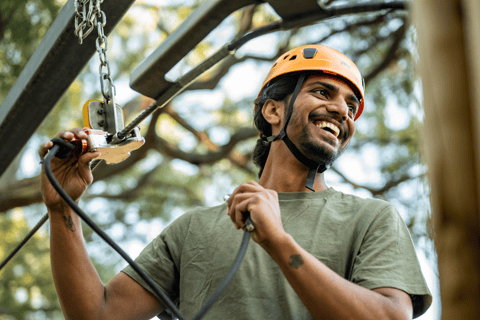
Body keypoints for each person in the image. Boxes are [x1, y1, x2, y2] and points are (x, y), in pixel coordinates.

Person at [39, 44, 432, 320]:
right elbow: (98, 314)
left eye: (350, 106)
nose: (341, 111)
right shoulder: (193, 229)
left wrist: (278, 242)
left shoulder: (372, 219)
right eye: (322, 92)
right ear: (273, 110)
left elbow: (390, 317)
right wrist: (61, 211)